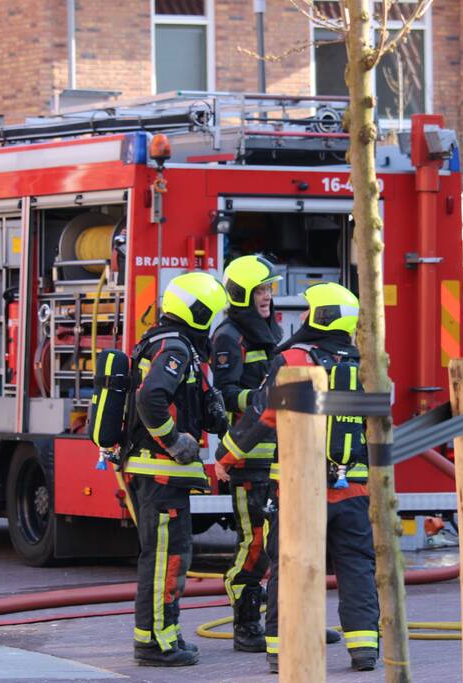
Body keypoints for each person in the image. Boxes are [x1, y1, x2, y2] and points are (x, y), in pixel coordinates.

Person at [218, 282, 380, 674]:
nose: (304, 318)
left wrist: (226, 456)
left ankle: (280, 648)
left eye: (310, 311)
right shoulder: (366, 363)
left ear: (321, 315)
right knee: (356, 564)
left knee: (288, 565)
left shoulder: (294, 357)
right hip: (352, 486)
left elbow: (263, 414)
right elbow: (377, 424)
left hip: (299, 488)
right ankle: (364, 649)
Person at [123, 271, 229, 667]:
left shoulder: (170, 343)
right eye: (212, 313)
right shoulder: (175, 349)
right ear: (198, 312)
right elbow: (151, 399)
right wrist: (174, 441)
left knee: (166, 556)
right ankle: (155, 643)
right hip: (161, 473)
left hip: (159, 474)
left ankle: (160, 636)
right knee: (165, 559)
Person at [211, 255, 283, 652]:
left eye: (269, 288)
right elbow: (223, 394)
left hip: (277, 457)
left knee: (280, 543)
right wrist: (261, 400)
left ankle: (280, 622)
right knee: (254, 542)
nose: (267, 296)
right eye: (260, 290)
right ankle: (246, 625)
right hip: (247, 455)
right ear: (241, 294)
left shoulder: (272, 328)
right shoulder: (228, 335)